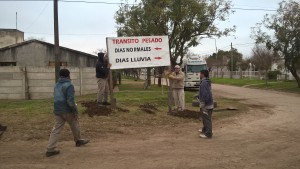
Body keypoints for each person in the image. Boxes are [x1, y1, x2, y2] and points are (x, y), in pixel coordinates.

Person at [46, 69, 89, 157]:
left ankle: (50, 149)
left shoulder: (56, 85)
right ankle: (78, 140)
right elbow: (70, 101)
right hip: (67, 110)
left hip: (57, 109)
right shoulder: (69, 85)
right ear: (68, 75)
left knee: (56, 129)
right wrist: (75, 111)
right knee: (75, 124)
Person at [197, 69, 214, 139]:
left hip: (207, 104)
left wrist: (203, 103)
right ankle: (205, 129)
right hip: (208, 103)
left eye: (200, 73)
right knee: (205, 118)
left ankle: (208, 134)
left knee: (207, 118)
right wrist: (198, 96)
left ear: (203, 74)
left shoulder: (204, 83)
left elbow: (205, 94)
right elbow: (205, 92)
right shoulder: (206, 81)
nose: (199, 75)